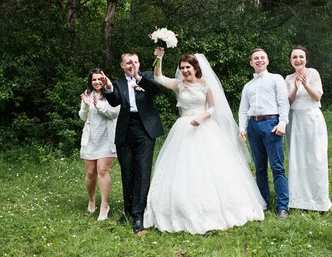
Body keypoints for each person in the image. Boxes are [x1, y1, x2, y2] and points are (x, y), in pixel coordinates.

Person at [143, 48, 265, 234]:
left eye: (188, 67)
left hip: (204, 127)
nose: (184, 71)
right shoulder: (178, 85)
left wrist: (202, 117)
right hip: (183, 129)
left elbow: (213, 108)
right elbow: (158, 77)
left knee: (211, 168)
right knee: (183, 168)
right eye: (182, 68)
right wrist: (159, 58)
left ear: (195, 68)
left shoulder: (205, 84)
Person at [102, 52, 164, 233]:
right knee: (127, 171)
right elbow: (113, 102)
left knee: (143, 171)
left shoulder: (147, 78)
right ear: (122, 65)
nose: (132, 65)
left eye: (135, 62)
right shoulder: (118, 84)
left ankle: (139, 214)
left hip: (145, 130)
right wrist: (107, 88)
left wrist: (138, 77)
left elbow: (156, 91)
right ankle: (128, 210)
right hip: (125, 130)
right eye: (128, 63)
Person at [238, 48, 290, 219]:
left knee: (277, 166)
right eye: (255, 58)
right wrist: (242, 128)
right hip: (253, 125)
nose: (259, 60)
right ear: (251, 63)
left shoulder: (276, 79)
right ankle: (263, 201)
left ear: (267, 61)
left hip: (271, 123)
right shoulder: (248, 86)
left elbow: (283, 102)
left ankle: (283, 205)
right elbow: (243, 109)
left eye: (262, 57)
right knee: (259, 167)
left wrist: (282, 123)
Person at [285, 46, 332, 212]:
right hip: (295, 120)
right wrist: (296, 87)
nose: (298, 60)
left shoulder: (313, 73)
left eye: (301, 57)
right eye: (294, 57)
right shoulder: (288, 78)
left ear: (306, 59)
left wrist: (305, 84)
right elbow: (287, 102)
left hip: (312, 119)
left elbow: (317, 96)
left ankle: (318, 200)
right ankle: (298, 200)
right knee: (297, 158)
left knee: (315, 157)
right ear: (291, 60)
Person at [78, 68, 121, 221]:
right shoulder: (88, 94)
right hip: (91, 138)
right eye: (93, 79)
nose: (96, 82)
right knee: (90, 173)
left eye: (99, 79)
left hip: (107, 137)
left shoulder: (112, 93)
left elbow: (114, 113)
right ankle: (91, 200)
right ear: (90, 81)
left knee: (102, 169)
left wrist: (98, 106)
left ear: (104, 79)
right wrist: (85, 105)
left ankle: (104, 205)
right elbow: (83, 117)